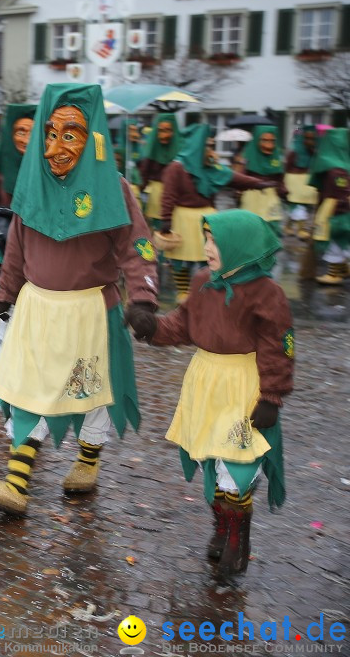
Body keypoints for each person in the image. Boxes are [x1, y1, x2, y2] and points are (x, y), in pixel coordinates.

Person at [0, 83, 159, 517]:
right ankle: (16, 483)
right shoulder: (31, 185)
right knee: (27, 388)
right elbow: (16, 248)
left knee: (90, 390)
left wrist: (144, 297)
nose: (56, 147)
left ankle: (88, 461)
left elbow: (138, 246)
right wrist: (4, 294)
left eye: (70, 135)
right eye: (50, 134)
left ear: (91, 137)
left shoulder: (114, 189)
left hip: (90, 311)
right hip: (37, 310)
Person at [137, 210, 291, 578]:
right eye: (205, 239)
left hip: (242, 383)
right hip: (206, 380)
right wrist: (151, 328)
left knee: (236, 463)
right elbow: (182, 324)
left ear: (241, 246)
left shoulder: (268, 294)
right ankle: (222, 528)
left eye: (215, 241)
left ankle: (239, 540)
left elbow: (279, 348)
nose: (206, 248)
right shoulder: (205, 281)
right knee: (215, 456)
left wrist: (271, 396)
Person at [158, 125, 273, 303]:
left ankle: (208, 290)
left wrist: (259, 183)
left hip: (207, 218)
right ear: (197, 146)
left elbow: (233, 178)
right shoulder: (177, 168)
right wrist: (166, 220)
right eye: (208, 145)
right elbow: (168, 195)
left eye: (212, 145)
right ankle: (183, 292)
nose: (211, 150)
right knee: (180, 259)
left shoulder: (210, 167)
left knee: (211, 257)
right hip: (183, 218)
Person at [309, 128, 350, 285]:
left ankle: (334, 274)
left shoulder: (336, 170)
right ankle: (342, 269)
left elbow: (341, 192)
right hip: (336, 208)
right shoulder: (341, 166)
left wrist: (339, 213)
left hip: (335, 210)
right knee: (340, 242)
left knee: (335, 241)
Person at [0, 104, 36, 209]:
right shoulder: (4, 166)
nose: (26, 140)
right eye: (21, 133)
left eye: (32, 133)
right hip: (7, 221)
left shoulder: (44, 166)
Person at [138, 114, 182, 229]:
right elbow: (143, 176)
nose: (163, 135)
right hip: (156, 198)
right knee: (158, 230)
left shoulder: (182, 152)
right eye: (160, 130)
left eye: (167, 130)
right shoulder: (151, 153)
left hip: (176, 197)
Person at [238, 126, 287, 228]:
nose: (269, 145)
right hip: (252, 195)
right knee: (251, 225)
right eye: (264, 140)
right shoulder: (248, 155)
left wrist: (283, 189)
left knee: (273, 224)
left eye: (272, 141)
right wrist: (239, 190)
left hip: (271, 195)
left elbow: (280, 176)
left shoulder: (276, 156)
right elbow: (241, 175)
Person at [283, 126, 320, 239]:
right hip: (295, 182)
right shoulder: (294, 151)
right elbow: (286, 167)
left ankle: (288, 226)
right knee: (298, 207)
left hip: (307, 183)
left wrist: (314, 152)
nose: (310, 141)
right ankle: (301, 230)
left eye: (312, 139)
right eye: (307, 138)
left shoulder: (314, 152)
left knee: (304, 206)